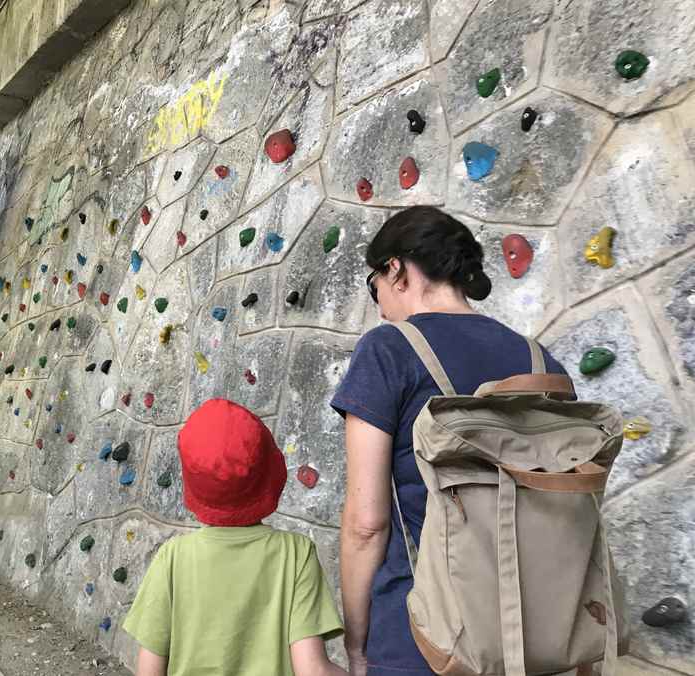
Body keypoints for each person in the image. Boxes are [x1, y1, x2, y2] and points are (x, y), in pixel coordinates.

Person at [331, 206, 569, 676]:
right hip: (535, 634)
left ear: (396, 269)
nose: (378, 304)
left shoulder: (388, 350)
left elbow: (366, 524)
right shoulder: (542, 362)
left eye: (373, 283)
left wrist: (358, 645)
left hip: (423, 639)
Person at [123, 398, 348, 676]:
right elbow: (313, 670)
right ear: (270, 472)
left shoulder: (172, 558)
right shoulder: (296, 554)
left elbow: (149, 671)